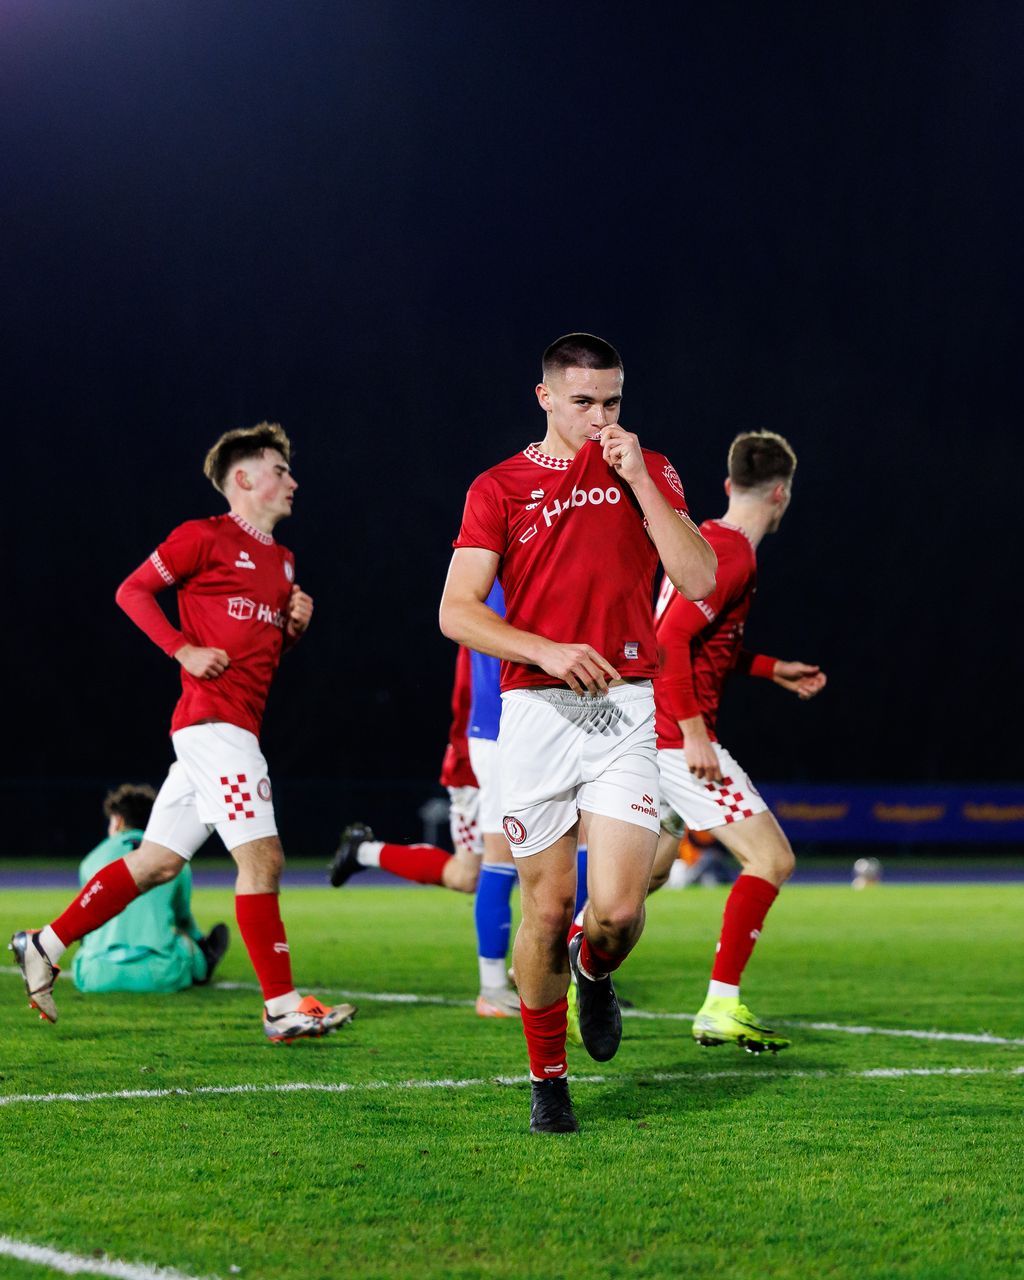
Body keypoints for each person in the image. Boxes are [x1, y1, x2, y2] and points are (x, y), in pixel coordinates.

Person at [439, 333, 717, 1133]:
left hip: (625, 707)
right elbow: (456, 611)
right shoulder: (499, 486)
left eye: (613, 402)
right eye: (584, 402)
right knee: (548, 904)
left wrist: (643, 484)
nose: (600, 418)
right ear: (546, 397)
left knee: (618, 910)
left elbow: (699, 578)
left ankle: (592, 972)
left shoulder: (648, 469)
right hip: (536, 713)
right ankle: (547, 1080)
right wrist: (545, 649)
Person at [10, 422, 354, 1043]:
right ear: (243, 478)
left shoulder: (283, 563)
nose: (293, 482)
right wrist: (181, 648)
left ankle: (45, 944)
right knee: (264, 859)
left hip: (225, 727)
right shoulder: (203, 537)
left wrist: (292, 631)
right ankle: (281, 1008)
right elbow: (132, 591)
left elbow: (257, 654)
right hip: (214, 725)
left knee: (157, 862)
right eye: (280, 470)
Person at [651, 430, 826, 1052]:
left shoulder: (706, 540)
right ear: (782, 494)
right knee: (772, 859)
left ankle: (570, 971)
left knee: (643, 880)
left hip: (650, 731)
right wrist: (694, 733)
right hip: (675, 736)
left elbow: (707, 642)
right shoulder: (733, 557)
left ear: (729, 485)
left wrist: (770, 668)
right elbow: (669, 640)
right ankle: (720, 1005)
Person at [330, 634, 522, 1016]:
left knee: (468, 875)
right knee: (499, 862)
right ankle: (497, 987)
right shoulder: (489, 602)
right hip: (480, 751)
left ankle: (363, 851)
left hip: (485, 743)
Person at [73, 784, 230, 994]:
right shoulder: (172, 858)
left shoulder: (91, 860)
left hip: (95, 976)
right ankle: (205, 962)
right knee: (181, 939)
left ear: (118, 821)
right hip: (158, 975)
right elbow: (183, 919)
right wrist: (201, 944)